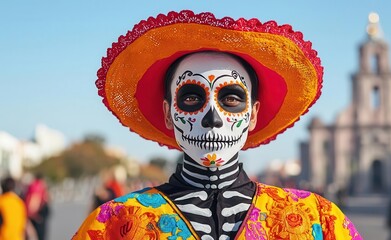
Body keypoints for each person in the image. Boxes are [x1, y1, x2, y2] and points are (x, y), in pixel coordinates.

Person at [73, 10, 361, 239]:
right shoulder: (115, 223)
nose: (212, 117)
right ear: (167, 113)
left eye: (231, 98)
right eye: (191, 97)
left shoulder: (318, 219)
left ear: (253, 114)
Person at [25, 174, 50, 240]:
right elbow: (34, 200)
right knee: (39, 236)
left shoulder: (36, 186)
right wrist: (34, 215)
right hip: (37, 216)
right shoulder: (37, 186)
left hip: (36, 215)